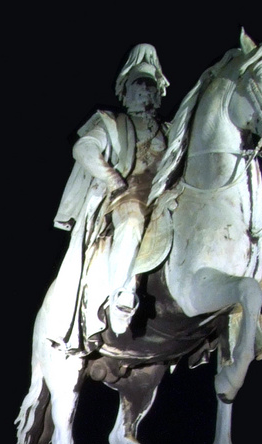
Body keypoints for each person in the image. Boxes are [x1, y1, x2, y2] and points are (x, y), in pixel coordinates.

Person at [45, 44, 169, 346]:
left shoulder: (171, 129)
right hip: (127, 193)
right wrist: (112, 177)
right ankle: (122, 296)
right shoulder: (112, 123)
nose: (146, 92)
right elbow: (83, 148)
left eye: (151, 86)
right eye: (139, 85)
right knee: (130, 221)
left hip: (167, 197)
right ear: (125, 92)